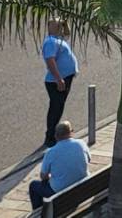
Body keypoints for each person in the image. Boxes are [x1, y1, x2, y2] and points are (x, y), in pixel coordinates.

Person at [28, 121, 91, 210]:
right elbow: (89, 159)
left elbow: (43, 176)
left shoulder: (51, 152)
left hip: (60, 192)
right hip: (83, 187)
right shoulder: (81, 143)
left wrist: (50, 176)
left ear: (56, 136)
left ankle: (39, 212)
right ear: (71, 132)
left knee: (33, 186)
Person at [41, 19, 78, 148]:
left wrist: (65, 23)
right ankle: (50, 137)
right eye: (55, 24)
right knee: (55, 109)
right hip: (56, 81)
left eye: (59, 24)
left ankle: (54, 135)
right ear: (49, 26)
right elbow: (50, 61)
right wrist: (59, 79)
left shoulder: (58, 38)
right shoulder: (50, 41)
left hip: (64, 78)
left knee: (59, 107)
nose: (58, 25)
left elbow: (67, 34)